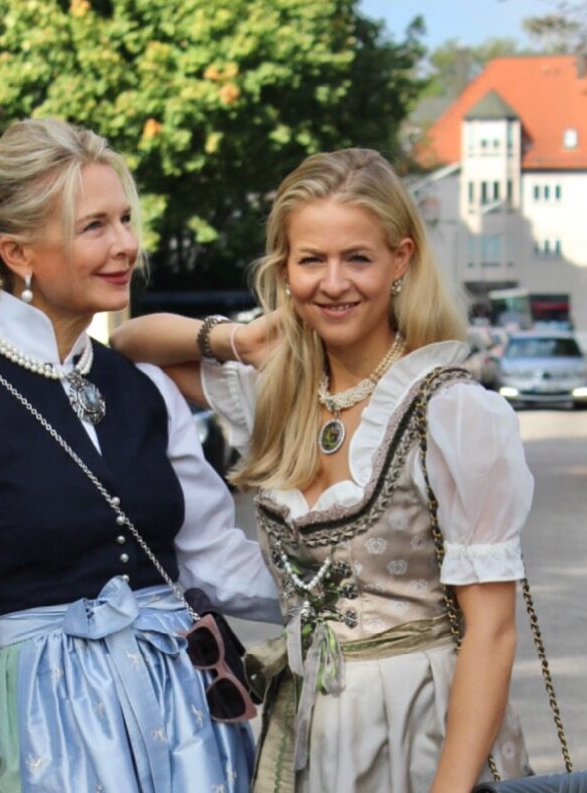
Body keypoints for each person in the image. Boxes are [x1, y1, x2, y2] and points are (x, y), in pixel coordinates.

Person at [111, 148, 535, 793]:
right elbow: (130, 344)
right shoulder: (274, 395)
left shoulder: (451, 412)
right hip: (312, 724)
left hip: (426, 726)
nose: (333, 283)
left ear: (401, 259)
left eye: (357, 258)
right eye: (312, 259)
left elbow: (493, 631)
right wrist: (240, 340)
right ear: (285, 269)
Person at [0, 118, 280, 793]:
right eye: (94, 225)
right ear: (20, 254)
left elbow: (215, 559)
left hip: (188, 712)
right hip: (53, 726)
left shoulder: (148, 387)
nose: (126, 244)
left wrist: (350, 595)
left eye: (125, 219)